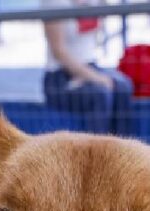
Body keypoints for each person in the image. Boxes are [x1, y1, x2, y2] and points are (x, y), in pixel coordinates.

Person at [41, 0, 133, 136]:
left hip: (89, 66)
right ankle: (97, 153)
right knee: (100, 94)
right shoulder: (54, 3)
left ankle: (121, 149)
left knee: (123, 86)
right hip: (59, 76)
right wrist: (93, 77)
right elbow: (59, 52)